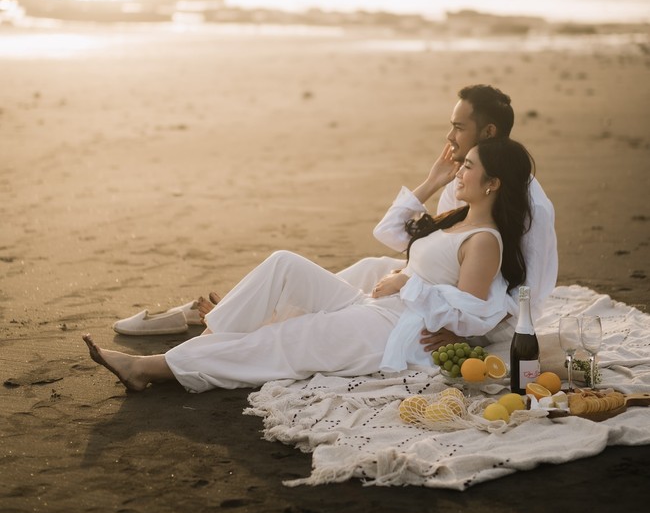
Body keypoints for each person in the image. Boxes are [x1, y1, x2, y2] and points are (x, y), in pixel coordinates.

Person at [83, 137, 533, 393]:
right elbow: (399, 238)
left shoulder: (484, 241)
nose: (460, 170)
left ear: (493, 183)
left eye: (469, 166)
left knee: (286, 341)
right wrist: (401, 271)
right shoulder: (455, 220)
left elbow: (470, 312)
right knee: (284, 265)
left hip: (397, 332)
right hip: (374, 307)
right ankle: (212, 338)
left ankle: (150, 368)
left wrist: (404, 284)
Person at [338, 84, 557, 351]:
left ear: (488, 132)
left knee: (362, 295)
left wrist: (464, 335)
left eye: (459, 127)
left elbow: (527, 294)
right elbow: (405, 237)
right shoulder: (461, 182)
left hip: (477, 317)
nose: (450, 135)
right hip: (441, 291)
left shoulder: (533, 206)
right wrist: (432, 182)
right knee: (372, 267)